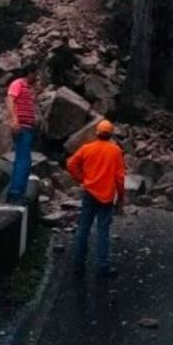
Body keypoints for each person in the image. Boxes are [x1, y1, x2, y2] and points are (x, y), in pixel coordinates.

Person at [67, 119, 126, 278]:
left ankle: (78, 265)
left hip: (89, 193)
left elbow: (71, 164)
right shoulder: (115, 151)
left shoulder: (87, 148)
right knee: (103, 231)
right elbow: (120, 178)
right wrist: (121, 198)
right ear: (111, 135)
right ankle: (102, 266)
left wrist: (81, 179)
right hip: (106, 196)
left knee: (83, 228)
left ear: (97, 133)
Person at [5, 62, 38, 204]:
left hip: (27, 127)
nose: (37, 76)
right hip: (22, 127)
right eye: (36, 73)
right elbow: (10, 100)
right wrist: (14, 120)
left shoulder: (29, 88)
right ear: (30, 73)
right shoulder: (17, 84)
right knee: (23, 161)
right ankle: (15, 193)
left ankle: (18, 191)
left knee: (23, 160)